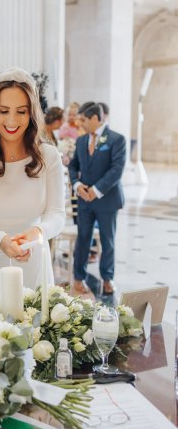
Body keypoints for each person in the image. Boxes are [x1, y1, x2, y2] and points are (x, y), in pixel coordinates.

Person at [0, 67, 65, 298]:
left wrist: (37, 233)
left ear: (31, 114)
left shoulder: (49, 156)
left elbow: (57, 214)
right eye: (4, 111)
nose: (12, 120)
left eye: (21, 112)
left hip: (33, 258)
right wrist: (1, 241)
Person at [68, 103, 126, 296]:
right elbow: (73, 166)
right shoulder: (81, 140)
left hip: (107, 200)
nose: (80, 123)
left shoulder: (117, 139)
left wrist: (96, 190)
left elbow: (116, 170)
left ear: (94, 118)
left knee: (108, 240)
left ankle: (107, 278)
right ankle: (78, 278)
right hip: (85, 200)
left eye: (83, 119)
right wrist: (77, 185)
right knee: (83, 239)